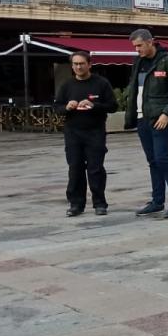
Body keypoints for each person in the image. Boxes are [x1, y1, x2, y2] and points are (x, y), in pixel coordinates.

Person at [125, 28, 168, 218]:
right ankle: (157, 200)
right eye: (135, 46)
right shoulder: (138, 62)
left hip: (160, 118)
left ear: (151, 42)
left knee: (161, 158)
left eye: (140, 45)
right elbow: (135, 89)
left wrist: (167, 113)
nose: (137, 49)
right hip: (143, 118)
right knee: (152, 161)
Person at [53, 51, 116, 216]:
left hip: (95, 131)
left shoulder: (101, 83)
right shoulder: (67, 85)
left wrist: (94, 105)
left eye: (82, 63)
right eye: (75, 64)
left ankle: (100, 203)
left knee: (95, 169)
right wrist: (66, 107)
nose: (78, 67)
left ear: (89, 64)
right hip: (73, 132)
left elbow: (112, 106)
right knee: (75, 168)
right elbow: (57, 108)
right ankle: (76, 204)